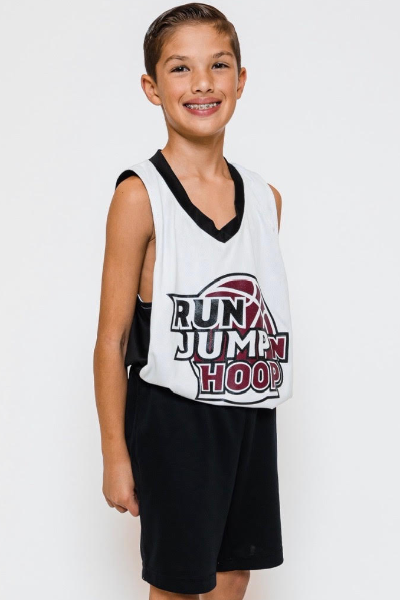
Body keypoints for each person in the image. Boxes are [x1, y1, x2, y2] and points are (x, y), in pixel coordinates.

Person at [93, 3, 294, 599]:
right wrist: (115, 456)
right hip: (173, 419)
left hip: (249, 409)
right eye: (180, 68)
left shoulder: (265, 199)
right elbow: (112, 339)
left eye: (218, 65)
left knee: (234, 570)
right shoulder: (141, 195)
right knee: (179, 583)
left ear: (241, 79)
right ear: (152, 87)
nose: (202, 83)